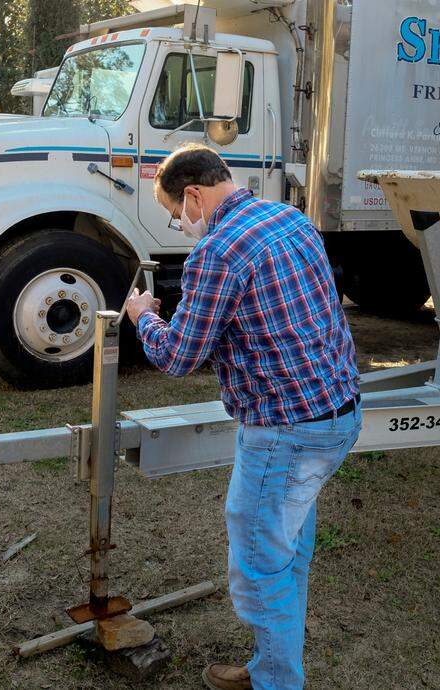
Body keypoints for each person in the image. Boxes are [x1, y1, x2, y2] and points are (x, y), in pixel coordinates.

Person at [124, 143, 361, 690]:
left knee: (258, 565)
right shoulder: (290, 219)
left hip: (287, 431)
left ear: (193, 196)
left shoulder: (219, 251)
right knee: (287, 547)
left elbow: (178, 355)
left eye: (174, 213)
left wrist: (143, 318)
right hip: (337, 415)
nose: (179, 224)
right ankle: (269, 669)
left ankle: (276, 683)